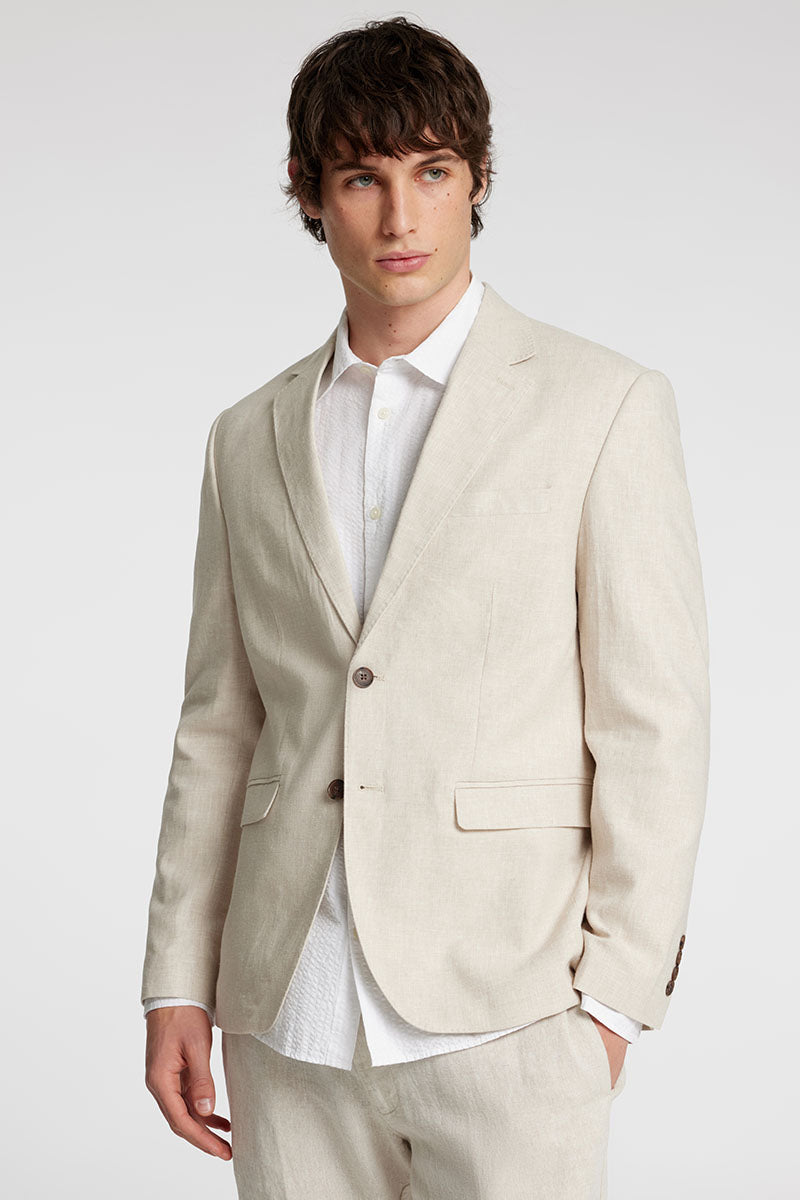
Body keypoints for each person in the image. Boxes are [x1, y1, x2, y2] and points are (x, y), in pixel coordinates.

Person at [141, 16, 710, 1199]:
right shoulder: (245, 438)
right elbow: (219, 726)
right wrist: (178, 982)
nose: (400, 217)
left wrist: (612, 1001)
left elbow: (651, 721)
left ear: (476, 179)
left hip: (510, 1007)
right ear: (308, 190)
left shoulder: (600, 404)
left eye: (433, 172)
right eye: (362, 177)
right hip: (288, 1012)